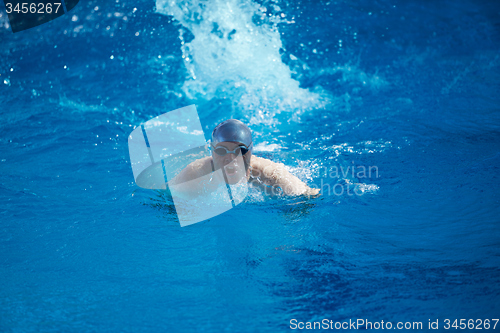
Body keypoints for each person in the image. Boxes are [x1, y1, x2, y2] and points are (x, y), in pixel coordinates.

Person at [169, 119, 320, 197]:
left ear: (250, 152)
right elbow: (166, 201)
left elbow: (308, 196)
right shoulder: (195, 173)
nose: (231, 158)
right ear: (213, 151)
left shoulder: (268, 171)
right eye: (222, 150)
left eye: (240, 151)